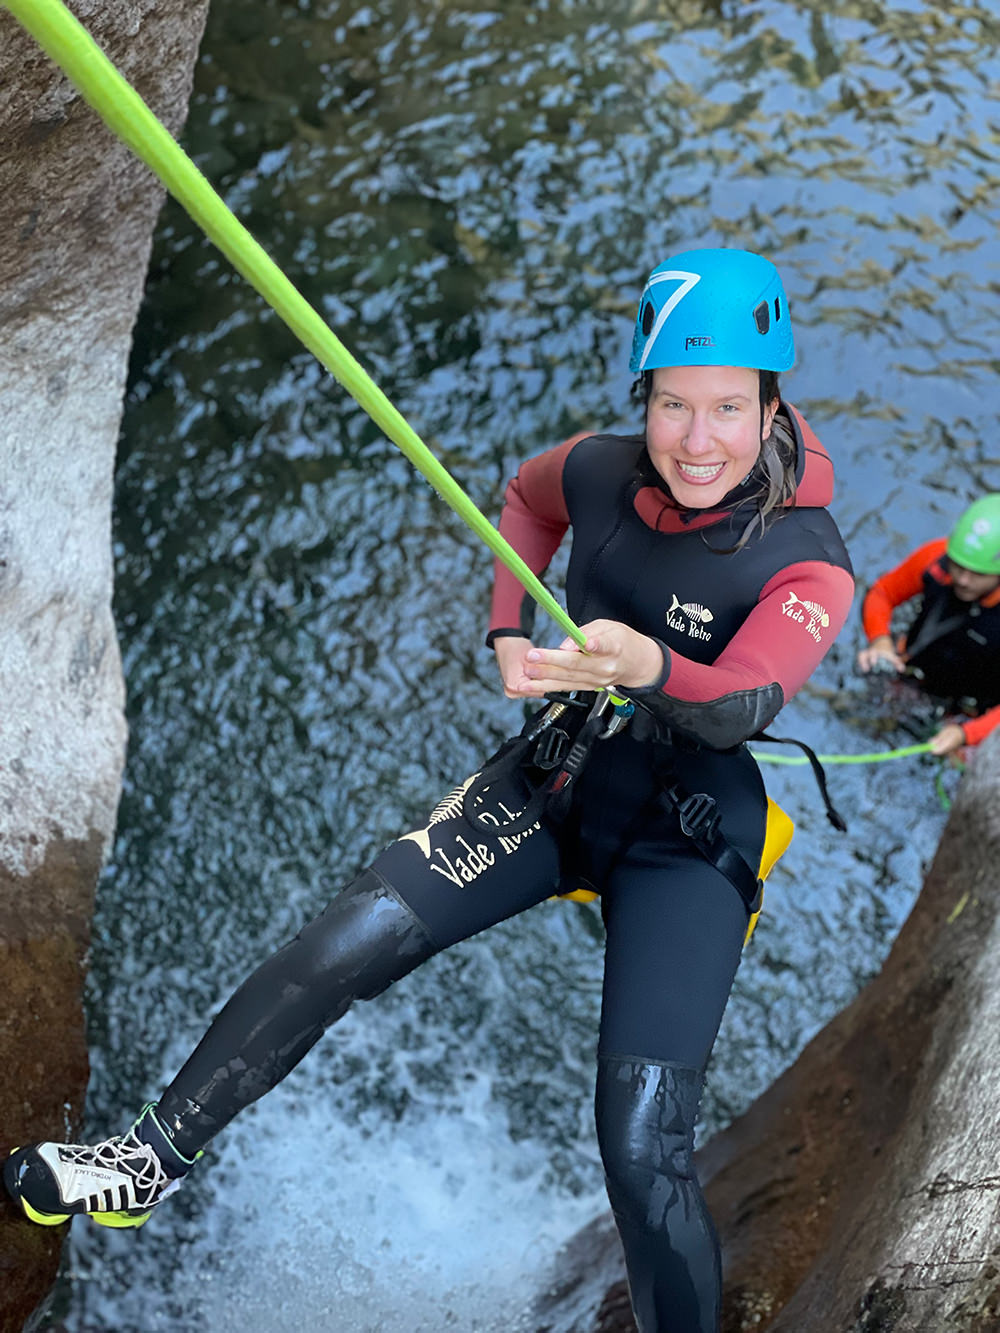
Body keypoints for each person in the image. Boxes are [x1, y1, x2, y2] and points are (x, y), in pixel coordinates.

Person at [4, 248, 854, 1333]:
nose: (696, 441)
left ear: (773, 404)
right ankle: (148, 1160)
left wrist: (643, 662)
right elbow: (522, 500)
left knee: (639, 1139)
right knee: (341, 942)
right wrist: (507, 627)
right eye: (673, 405)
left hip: (686, 838)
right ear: (644, 397)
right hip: (560, 775)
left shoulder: (805, 558)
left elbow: (743, 703)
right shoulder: (598, 470)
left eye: (728, 407)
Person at [856, 495, 1000, 757]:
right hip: (915, 673)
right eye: (958, 566)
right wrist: (880, 642)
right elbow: (882, 593)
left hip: (973, 711)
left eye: (977, 573)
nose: (964, 580)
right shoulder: (936, 559)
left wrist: (966, 734)